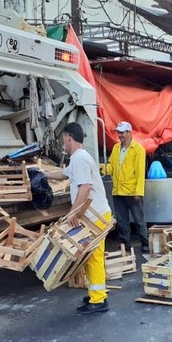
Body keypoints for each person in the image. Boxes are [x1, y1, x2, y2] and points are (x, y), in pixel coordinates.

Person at [45, 122, 112, 315]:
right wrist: (43, 174)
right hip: (93, 215)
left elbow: (85, 187)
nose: (62, 144)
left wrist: (73, 213)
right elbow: (63, 174)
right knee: (90, 257)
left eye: (63, 140)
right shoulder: (77, 159)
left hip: (96, 216)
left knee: (94, 257)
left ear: (68, 138)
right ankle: (95, 294)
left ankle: (99, 300)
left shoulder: (80, 158)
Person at [102, 121, 149, 253]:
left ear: (129, 132)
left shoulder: (139, 149)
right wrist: (102, 168)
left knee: (139, 220)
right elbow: (111, 167)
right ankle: (125, 244)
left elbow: (140, 173)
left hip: (132, 191)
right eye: (118, 132)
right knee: (122, 221)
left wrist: (139, 192)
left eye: (122, 132)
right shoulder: (116, 148)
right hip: (118, 191)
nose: (119, 135)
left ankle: (145, 243)